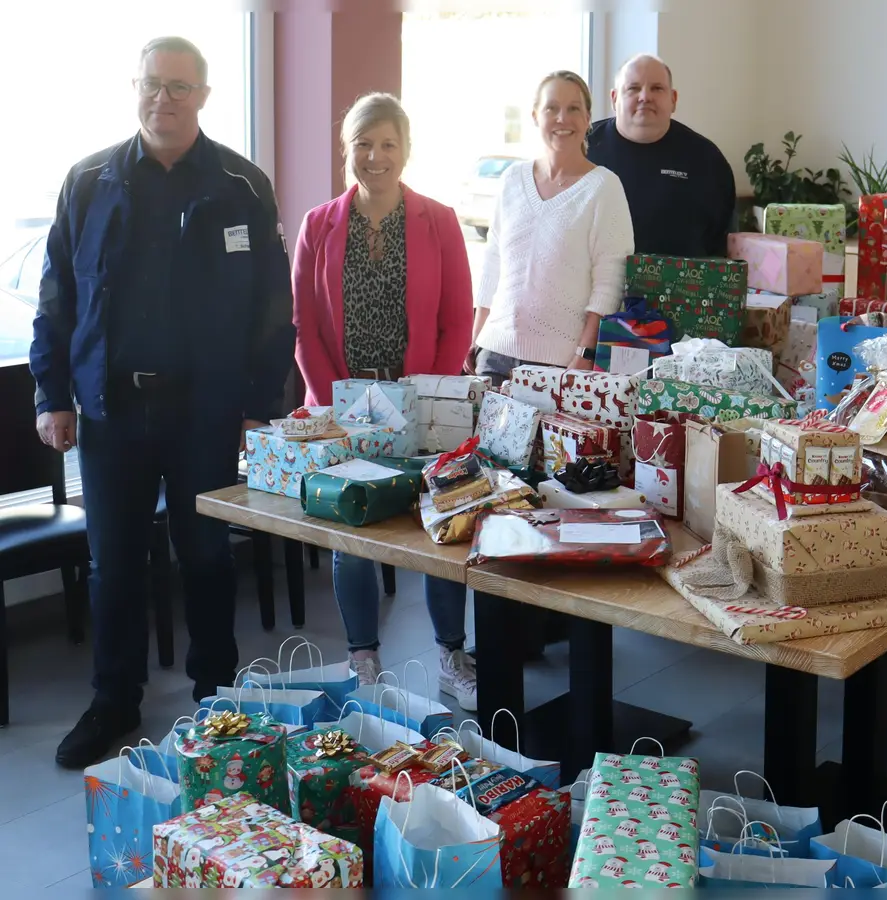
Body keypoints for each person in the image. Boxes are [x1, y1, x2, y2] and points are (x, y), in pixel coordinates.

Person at [31, 37, 294, 768]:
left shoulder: (242, 184)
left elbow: (276, 304)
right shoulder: (88, 181)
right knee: (112, 564)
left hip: (207, 412)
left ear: (204, 96)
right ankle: (114, 698)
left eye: (180, 87)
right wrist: (52, 394)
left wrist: (260, 401)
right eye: (153, 85)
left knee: (206, 554)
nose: (164, 99)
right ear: (136, 89)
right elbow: (59, 297)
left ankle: (216, 694)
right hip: (111, 413)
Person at [290, 93, 478, 707]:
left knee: (437, 526)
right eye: (362, 145)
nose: (375, 157)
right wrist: (330, 404)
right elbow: (305, 326)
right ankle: (363, 658)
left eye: (387, 144)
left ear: (406, 150)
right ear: (348, 151)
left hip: (422, 398)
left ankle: (452, 653)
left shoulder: (439, 220)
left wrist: (429, 396)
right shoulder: (317, 225)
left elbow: (457, 320)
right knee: (355, 530)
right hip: (347, 402)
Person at [470, 70, 633, 384]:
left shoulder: (604, 187)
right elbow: (493, 261)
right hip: (493, 354)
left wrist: (585, 354)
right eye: (551, 108)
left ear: (587, 119)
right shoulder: (511, 179)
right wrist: (477, 336)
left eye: (574, 109)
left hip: (561, 365)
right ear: (535, 116)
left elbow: (610, 281)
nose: (563, 118)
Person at [586, 54, 735, 257]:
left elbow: (721, 243)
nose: (645, 97)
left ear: (673, 99)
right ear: (614, 99)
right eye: (633, 88)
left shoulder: (707, 160)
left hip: (684, 285)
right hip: (595, 284)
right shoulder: (583, 148)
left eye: (657, 88)